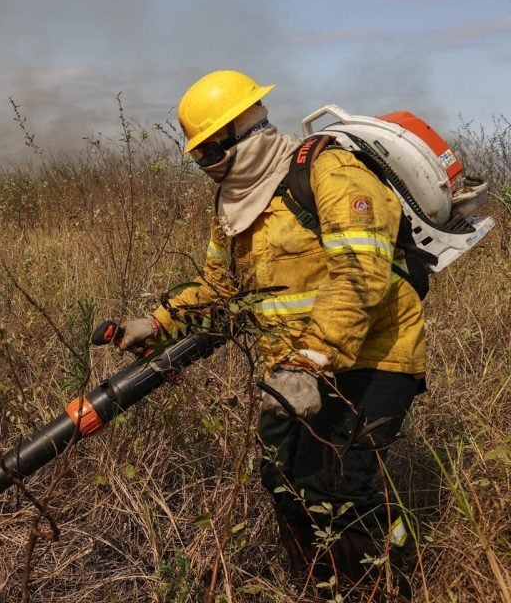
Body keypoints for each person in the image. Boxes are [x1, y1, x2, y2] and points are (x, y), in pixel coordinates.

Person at [116, 70, 424, 600]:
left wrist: (311, 360)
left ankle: (388, 585)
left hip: (376, 356)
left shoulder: (331, 172)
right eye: (198, 155)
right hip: (292, 370)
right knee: (286, 482)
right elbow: (220, 287)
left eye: (207, 151)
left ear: (237, 132)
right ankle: (319, 587)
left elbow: (360, 275)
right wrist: (157, 322)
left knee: (348, 489)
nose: (203, 165)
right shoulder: (235, 203)